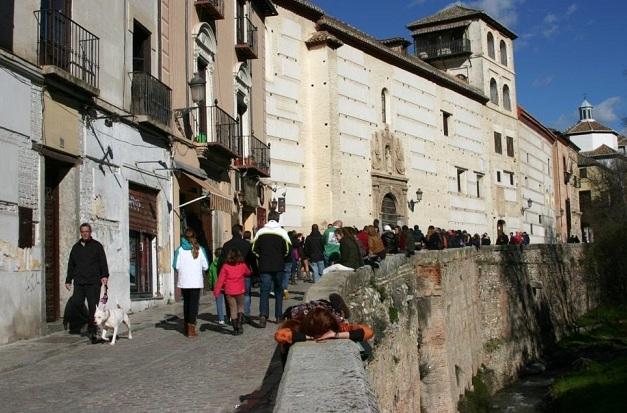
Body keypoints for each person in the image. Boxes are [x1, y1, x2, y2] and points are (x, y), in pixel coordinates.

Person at [274, 306, 374, 365]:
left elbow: (369, 332)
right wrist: (309, 337)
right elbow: (279, 335)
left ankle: (338, 309)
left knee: (366, 348)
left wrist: (337, 335)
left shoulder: (336, 327)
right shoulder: (296, 327)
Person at [65, 223, 109, 344]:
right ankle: (87, 322)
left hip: (93, 282)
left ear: (90, 232)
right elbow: (71, 265)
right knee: (76, 302)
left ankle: (93, 331)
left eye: (87, 231)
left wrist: (104, 275)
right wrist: (68, 280)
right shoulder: (76, 247)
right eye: (82, 231)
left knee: (92, 307)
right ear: (80, 233)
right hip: (79, 281)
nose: (85, 233)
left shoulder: (97, 246)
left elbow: (103, 262)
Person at [252, 212, 291, 328]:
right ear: (278, 219)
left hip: (264, 266)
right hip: (278, 265)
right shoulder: (282, 232)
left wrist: (262, 257)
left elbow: (254, 249)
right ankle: (278, 316)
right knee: (278, 291)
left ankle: (263, 316)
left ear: (268, 219)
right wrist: (281, 258)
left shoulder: (260, 232)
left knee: (264, 291)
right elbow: (288, 250)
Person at [173, 228, 209, 337]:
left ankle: (186, 326)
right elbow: (206, 266)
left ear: (184, 237)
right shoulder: (200, 249)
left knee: (187, 304)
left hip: (184, 281)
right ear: (195, 237)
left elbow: (176, 266)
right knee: (194, 305)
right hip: (196, 281)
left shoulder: (179, 250)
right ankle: (191, 328)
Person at [221, 224, 256, 323]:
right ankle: (245, 315)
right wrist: (255, 273)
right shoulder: (247, 245)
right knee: (246, 295)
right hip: (244, 274)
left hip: (229, 275)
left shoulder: (226, 245)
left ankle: (232, 317)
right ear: (240, 232)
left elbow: (222, 261)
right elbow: (252, 260)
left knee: (230, 297)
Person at [214, 249, 252, 335]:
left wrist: (217, 291)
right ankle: (239, 324)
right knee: (240, 307)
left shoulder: (225, 266)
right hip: (240, 290)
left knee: (232, 309)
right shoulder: (242, 265)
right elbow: (248, 272)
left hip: (229, 291)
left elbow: (220, 280)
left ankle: (235, 329)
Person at [207, 247, 225, 325]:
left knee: (218, 303)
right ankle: (231, 317)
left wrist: (211, 285)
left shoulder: (212, 265)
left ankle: (221, 319)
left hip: (217, 286)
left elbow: (210, 277)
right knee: (229, 302)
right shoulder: (225, 263)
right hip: (225, 285)